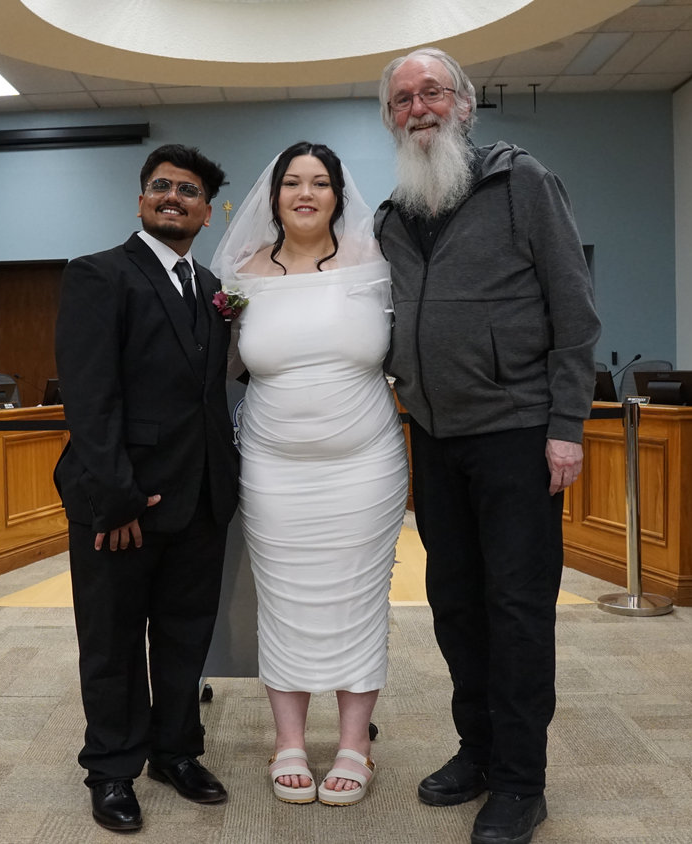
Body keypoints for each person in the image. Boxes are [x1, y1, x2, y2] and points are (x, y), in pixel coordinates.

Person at [373, 48, 601, 844]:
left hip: (516, 433)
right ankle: (476, 748)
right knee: (457, 605)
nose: (418, 108)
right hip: (433, 439)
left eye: (432, 92)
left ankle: (520, 780)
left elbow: (575, 312)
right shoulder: (391, 214)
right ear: (390, 118)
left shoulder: (522, 182)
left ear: (466, 105)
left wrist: (567, 427)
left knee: (517, 608)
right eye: (402, 99)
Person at [211, 142, 407, 807]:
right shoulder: (240, 275)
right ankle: (288, 740)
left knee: (358, 598)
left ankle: (356, 744)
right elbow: (223, 368)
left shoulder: (377, 265)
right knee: (284, 599)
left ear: (337, 195)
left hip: (366, 466)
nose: (304, 192)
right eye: (292, 182)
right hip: (273, 469)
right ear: (274, 197)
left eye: (319, 183)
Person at [53, 144, 239, 833]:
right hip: (123, 502)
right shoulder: (98, 275)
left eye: (187, 191)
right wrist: (116, 497)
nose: (172, 197)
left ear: (207, 211)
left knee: (187, 637)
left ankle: (175, 750)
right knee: (112, 642)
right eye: (160, 187)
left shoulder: (213, 285)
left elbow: (205, 397)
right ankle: (110, 768)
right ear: (140, 201)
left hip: (202, 497)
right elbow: (89, 395)